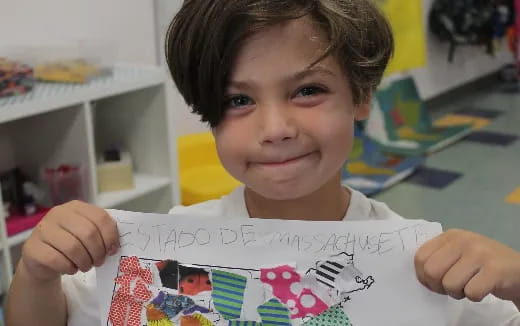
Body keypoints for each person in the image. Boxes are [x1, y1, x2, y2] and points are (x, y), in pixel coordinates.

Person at [5, 0, 520, 325]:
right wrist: (37, 272)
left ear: (362, 95)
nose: (275, 129)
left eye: (308, 90)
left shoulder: (428, 268)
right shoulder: (163, 250)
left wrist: (516, 280)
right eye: (238, 101)